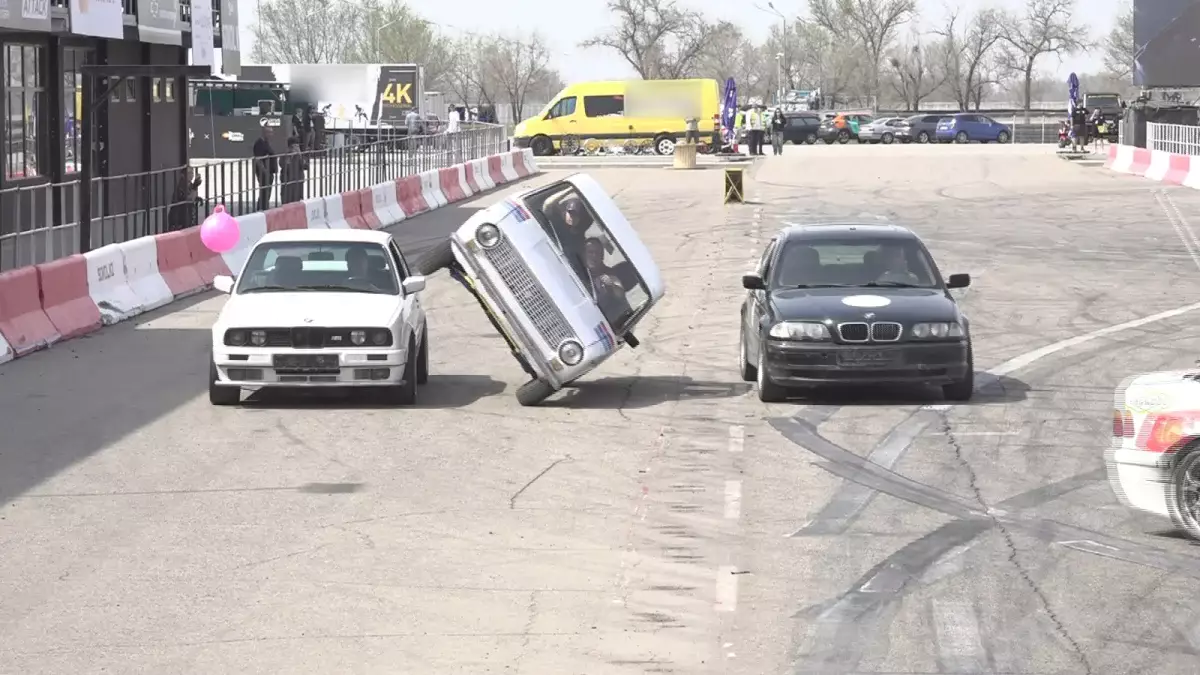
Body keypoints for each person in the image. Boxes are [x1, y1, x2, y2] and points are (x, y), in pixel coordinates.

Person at [583, 237, 632, 322]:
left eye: (597, 253)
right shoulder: (579, 271)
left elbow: (620, 294)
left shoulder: (609, 274)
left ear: (602, 256)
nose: (594, 256)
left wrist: (611, 285)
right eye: (590, 252)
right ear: (584, 254)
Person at [167, 167, 202, 231]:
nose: (191, 175)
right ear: (183, 175)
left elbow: (192, 197)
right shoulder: (181, 185)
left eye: (192, 173)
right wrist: (195, 186)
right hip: (179, 218)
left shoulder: (190, 184)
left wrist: (197, 198)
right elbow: (188, 199)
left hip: (188, 215)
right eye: (189, 173)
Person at [252, 126, 278, 211]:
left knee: (267, 191)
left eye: (272, 132)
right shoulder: (259, 143)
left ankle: (264, 207)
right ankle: (261, 208)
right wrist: (264, 171)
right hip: (264, 172)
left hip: (269, 171)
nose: (271, 134)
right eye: (269, 132)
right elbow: (258, 159)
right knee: (264, 191)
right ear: (264, 133)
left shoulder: (266, 142)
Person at [279, 137, 307, 204]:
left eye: (298, 146)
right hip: (288, 182)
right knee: (287, 202)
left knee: (297, 202)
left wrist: (300, 156)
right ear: (289, 147)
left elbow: (305, 166)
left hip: (298, 182)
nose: (296, 148)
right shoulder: (285, 155)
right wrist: (290, 156)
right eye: (294, 146)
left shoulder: (300, 155)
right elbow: (283, 166)